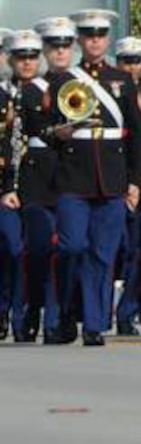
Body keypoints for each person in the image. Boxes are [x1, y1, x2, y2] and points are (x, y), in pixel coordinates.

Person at [55, 9, 141, 346]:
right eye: (88, 35)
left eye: (100, 35)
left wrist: (135, 180)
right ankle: (65, 309)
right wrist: (59, 133)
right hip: (72, 179)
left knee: (103, 254)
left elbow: (136, 133)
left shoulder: (122, 79)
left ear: (107, 40)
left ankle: (94, 324)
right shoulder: (63, 80)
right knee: (72, 246)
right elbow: (45, 132)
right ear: (79, 39)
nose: (94, 40)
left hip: (111, 178)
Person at [28, 17, 77, 343]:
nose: (60, 52)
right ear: (45, 50)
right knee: (41, 250)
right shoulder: (35, 88)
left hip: (77, 178)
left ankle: (65, 315)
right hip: (40, 180)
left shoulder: (84, 85)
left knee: (72, 249)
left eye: (65, 46)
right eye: (54, 46)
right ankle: (36, 312)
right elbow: (34, 128)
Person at [113, 35, 141, 335]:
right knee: (109, 247)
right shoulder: (107, 93)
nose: (131, 67)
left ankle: (129, 311)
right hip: (113, 179)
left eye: (136, 61)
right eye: (126, 61)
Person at [0, 30, 35, 341]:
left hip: (37, 188)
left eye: (32, 56)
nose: (26, 62)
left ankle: (23, 318)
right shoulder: (2, 96)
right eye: (20, 56)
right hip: (4, 189)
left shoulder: (47, 92)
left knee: (26, 252)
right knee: (9, 249)